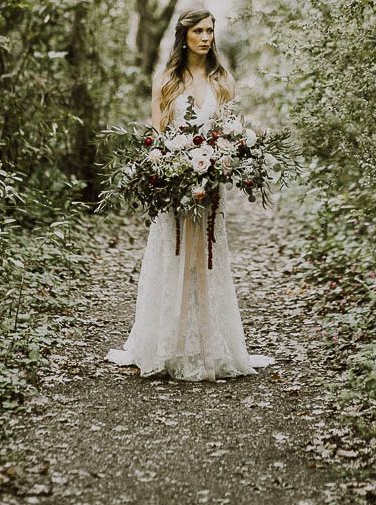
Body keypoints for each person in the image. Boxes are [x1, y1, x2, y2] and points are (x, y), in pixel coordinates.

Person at [106, 9, 274, 381]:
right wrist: (169, 166)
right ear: (184, 36)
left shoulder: (221, 80)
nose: (205, 37)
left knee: (208, 259)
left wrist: (224, 157)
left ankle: (209, 343)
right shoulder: (167, 80)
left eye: (210, 30)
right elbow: (158, 134)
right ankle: (167, 344)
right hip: (175, 183)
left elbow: (229, 127)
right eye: (198, 31)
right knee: (173, 253)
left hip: (210, 185)